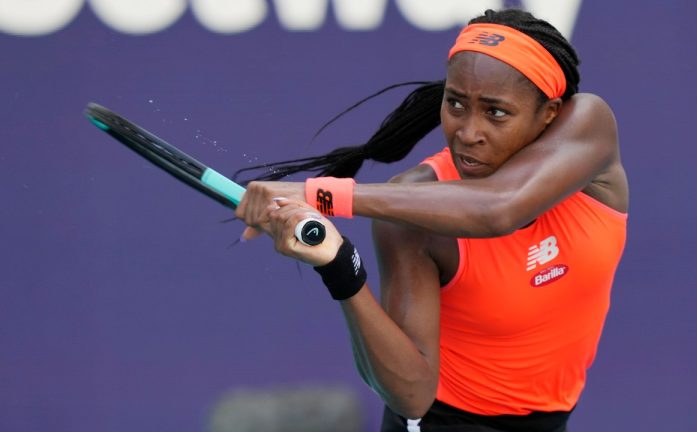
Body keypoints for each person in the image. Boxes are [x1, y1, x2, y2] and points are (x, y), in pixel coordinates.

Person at [235, 8, 628, 432]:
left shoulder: (590, 127)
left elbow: (500, 208)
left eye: (495, 113)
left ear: (550, 113)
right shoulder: (409, 212)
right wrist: (339, 266)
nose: (468, 132)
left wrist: (323, 195)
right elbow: (412, 395)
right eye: (456, 103)